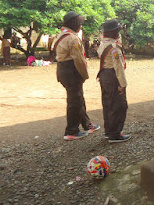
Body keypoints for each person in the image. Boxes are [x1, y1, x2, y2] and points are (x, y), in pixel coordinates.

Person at [55, 11, 100, 140]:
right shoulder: (73, 38)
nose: (81, 26)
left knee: (78, 98)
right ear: (73, 23)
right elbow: (79, 60)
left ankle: (87, 125)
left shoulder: (62, 35)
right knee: (74, 101)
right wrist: (85, 75)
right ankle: (72, 131)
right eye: (79, 23)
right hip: (71, 71)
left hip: (63, 70)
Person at [97, 19, 130, 143]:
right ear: (113, 33)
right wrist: (123, 84)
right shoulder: (114, 47)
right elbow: (119, 67)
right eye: (117, 31)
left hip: (104, 75)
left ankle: (109, 130)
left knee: (108, 103)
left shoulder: (103, 44)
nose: (119, 33)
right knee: (119, 105)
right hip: (113, 75)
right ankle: (115, 134)